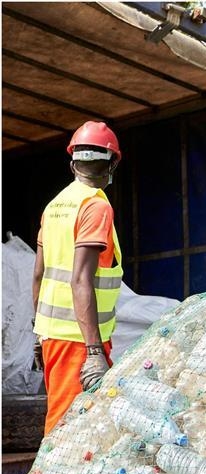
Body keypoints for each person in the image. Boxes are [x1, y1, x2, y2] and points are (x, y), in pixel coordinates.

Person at [33, 121, 123, 434]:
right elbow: (80, 279)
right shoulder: (95, 206)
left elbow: (39, 275)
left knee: (73, 425)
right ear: (111, 164)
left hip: (54, 337)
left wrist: (38, 331)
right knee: (69, 430)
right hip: (79, 341)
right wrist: (95, 352)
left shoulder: (54, 207)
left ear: (73, 163)